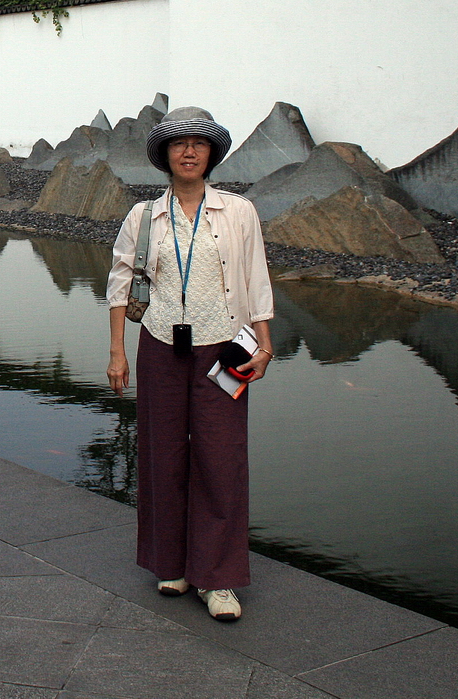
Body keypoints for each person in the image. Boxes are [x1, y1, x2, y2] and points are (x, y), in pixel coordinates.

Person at [106, 106, 275, 623]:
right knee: (162, 454)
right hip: (160, 344)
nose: (188, 152)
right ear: (165, 155)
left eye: (199, 143)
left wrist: (265, 345)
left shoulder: (238, 211)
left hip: (228, 346)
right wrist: (117, 352)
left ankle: (216, 578)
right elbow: (120, 283)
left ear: (211, 154)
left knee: (221, 458)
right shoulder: (143, 217)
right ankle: (171, 564)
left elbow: (257, 278)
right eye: (179, 143)